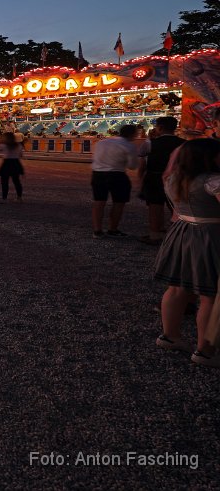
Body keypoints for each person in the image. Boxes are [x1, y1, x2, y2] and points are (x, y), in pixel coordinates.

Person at [152, 138, 220, 367]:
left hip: (182, 231)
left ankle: (169, 336)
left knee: (177, 288)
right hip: (210, 235)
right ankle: (205, 351)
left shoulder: (174, 179)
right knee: (209, 294)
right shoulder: (213, 181)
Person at [138, 116, 185, 245]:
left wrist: (140, 179)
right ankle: (179, 235)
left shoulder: (150, 143)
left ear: (160, 128)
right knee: (176, 207)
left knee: (155, 206)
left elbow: (142, 162)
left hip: (154, 177)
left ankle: (155, 235)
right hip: (176, 178)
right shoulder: (184, 143)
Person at [90, 124, 140, 238]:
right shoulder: (129, 145)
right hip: (117, 174)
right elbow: (132, 166)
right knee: (118, 203)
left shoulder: (101, 142)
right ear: (132, 134)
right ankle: (113, 229)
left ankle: (97, 230)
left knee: (99, 202)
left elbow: (95, 157)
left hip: (98, 174)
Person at [0, 132, 25, 202]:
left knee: (4, 182)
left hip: (6, 163)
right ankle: (19, 197)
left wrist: (0, 142)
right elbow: (21, 155)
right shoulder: (19, 145)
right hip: (16, 163)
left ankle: (4, 198)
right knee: (16, 181)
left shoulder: (4, 145)